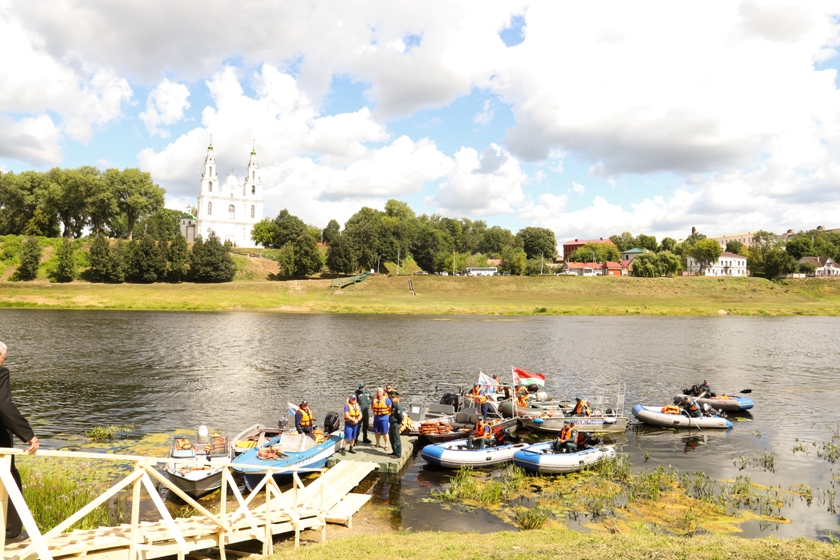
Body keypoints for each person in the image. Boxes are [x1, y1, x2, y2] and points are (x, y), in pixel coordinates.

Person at [0, 341, 39, 541]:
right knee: (10, 480)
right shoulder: (1, 372)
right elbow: (4, 406)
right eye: (3, 358)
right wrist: (28, 435)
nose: (2, 362)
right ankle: (10, 533)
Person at [388, 391, 403, 458]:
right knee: (391, 438)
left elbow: (400, 416)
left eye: (393, 398)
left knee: (396, 439)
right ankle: (394, 451)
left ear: (396, 398)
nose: (392, 399)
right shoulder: (393, 404)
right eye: (391, 398)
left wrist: (399, 422)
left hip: (396, 423)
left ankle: (398, 453)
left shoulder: (398, 405)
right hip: (392, 423)